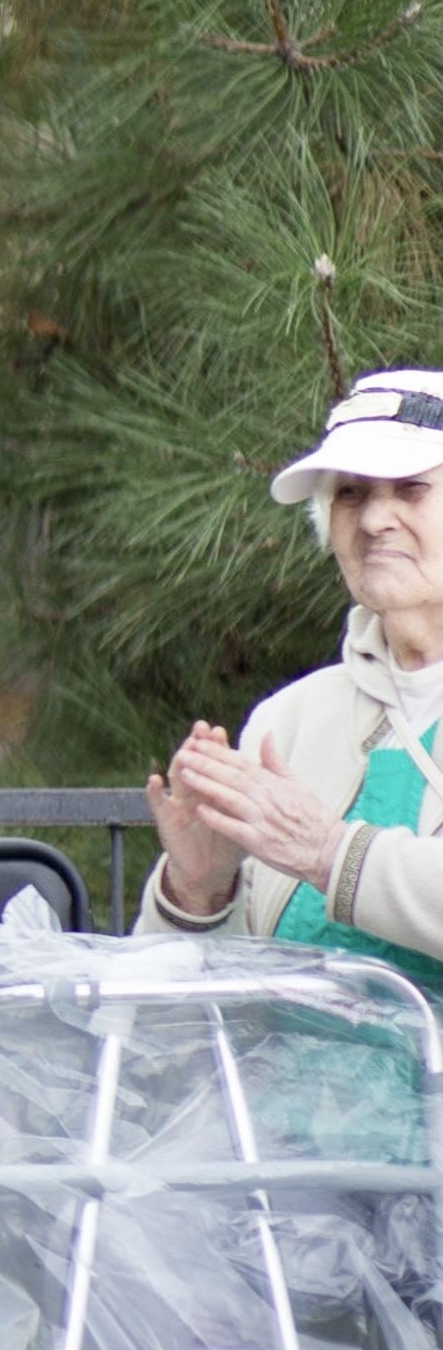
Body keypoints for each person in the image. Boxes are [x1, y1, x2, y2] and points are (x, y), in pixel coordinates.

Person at [141, 371, 443, 975]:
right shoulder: (291, 719)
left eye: (410, 489)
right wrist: (199, 893)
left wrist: (331, 854)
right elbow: (171, 1020)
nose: (373, 520)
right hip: (283, 1073)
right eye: (350, 494)